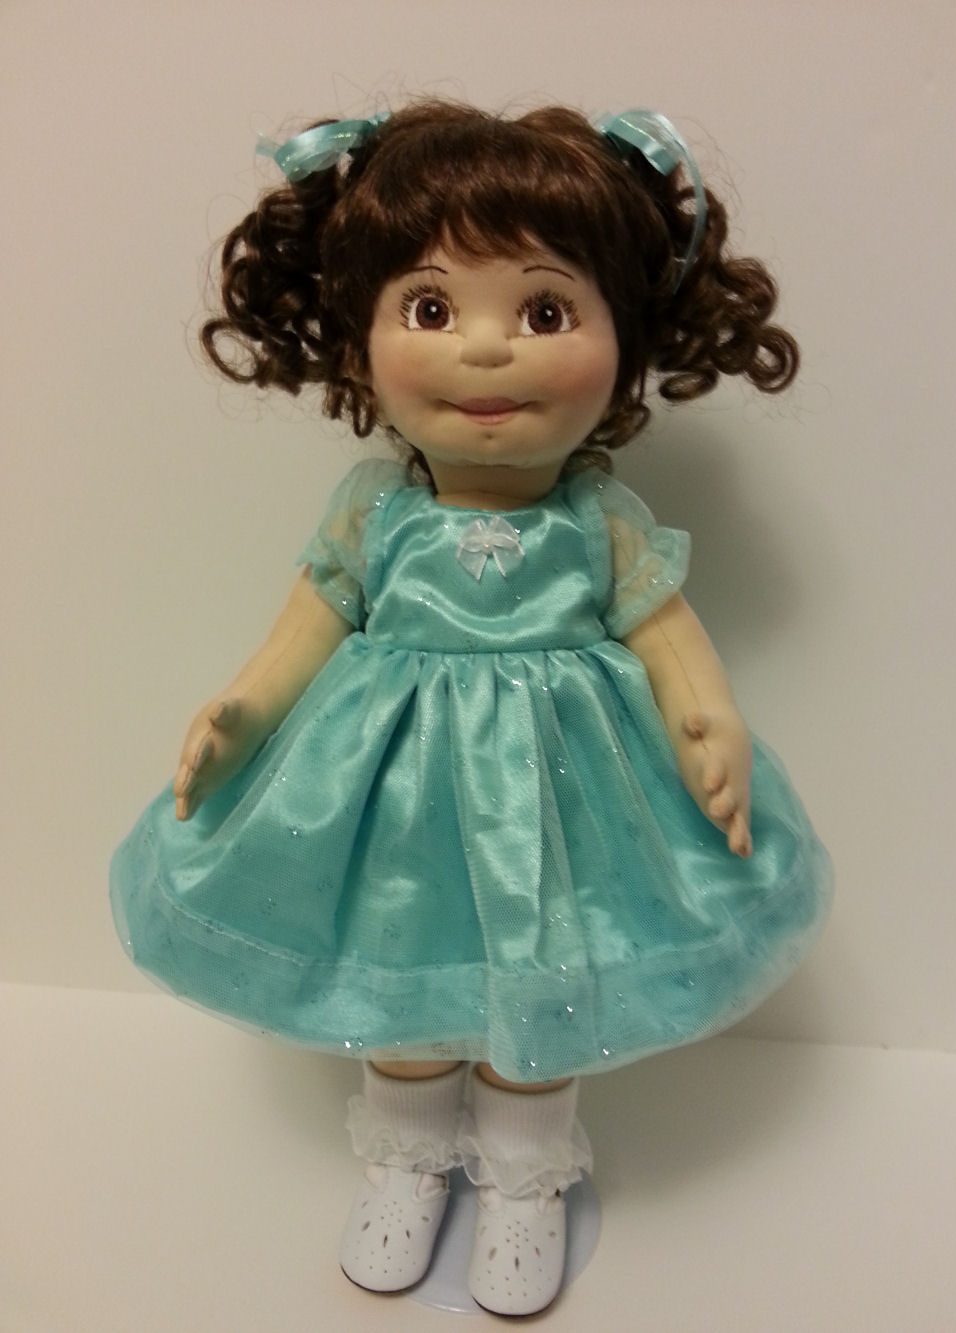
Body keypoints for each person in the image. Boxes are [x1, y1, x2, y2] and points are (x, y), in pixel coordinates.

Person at [110, 102, 832, 1316]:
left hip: (567, 798)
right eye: (432, 309)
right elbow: (301, 632)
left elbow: (670, 639)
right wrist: (239, 710)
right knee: (397, 977)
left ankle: (523, 1176)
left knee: (544, 984)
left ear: (623, 339)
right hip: (389, 803)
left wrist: (706, 722)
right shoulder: (376, 512)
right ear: (360, 341)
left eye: (544, 312)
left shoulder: (596, 519)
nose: (486, 351)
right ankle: (405, 1158)